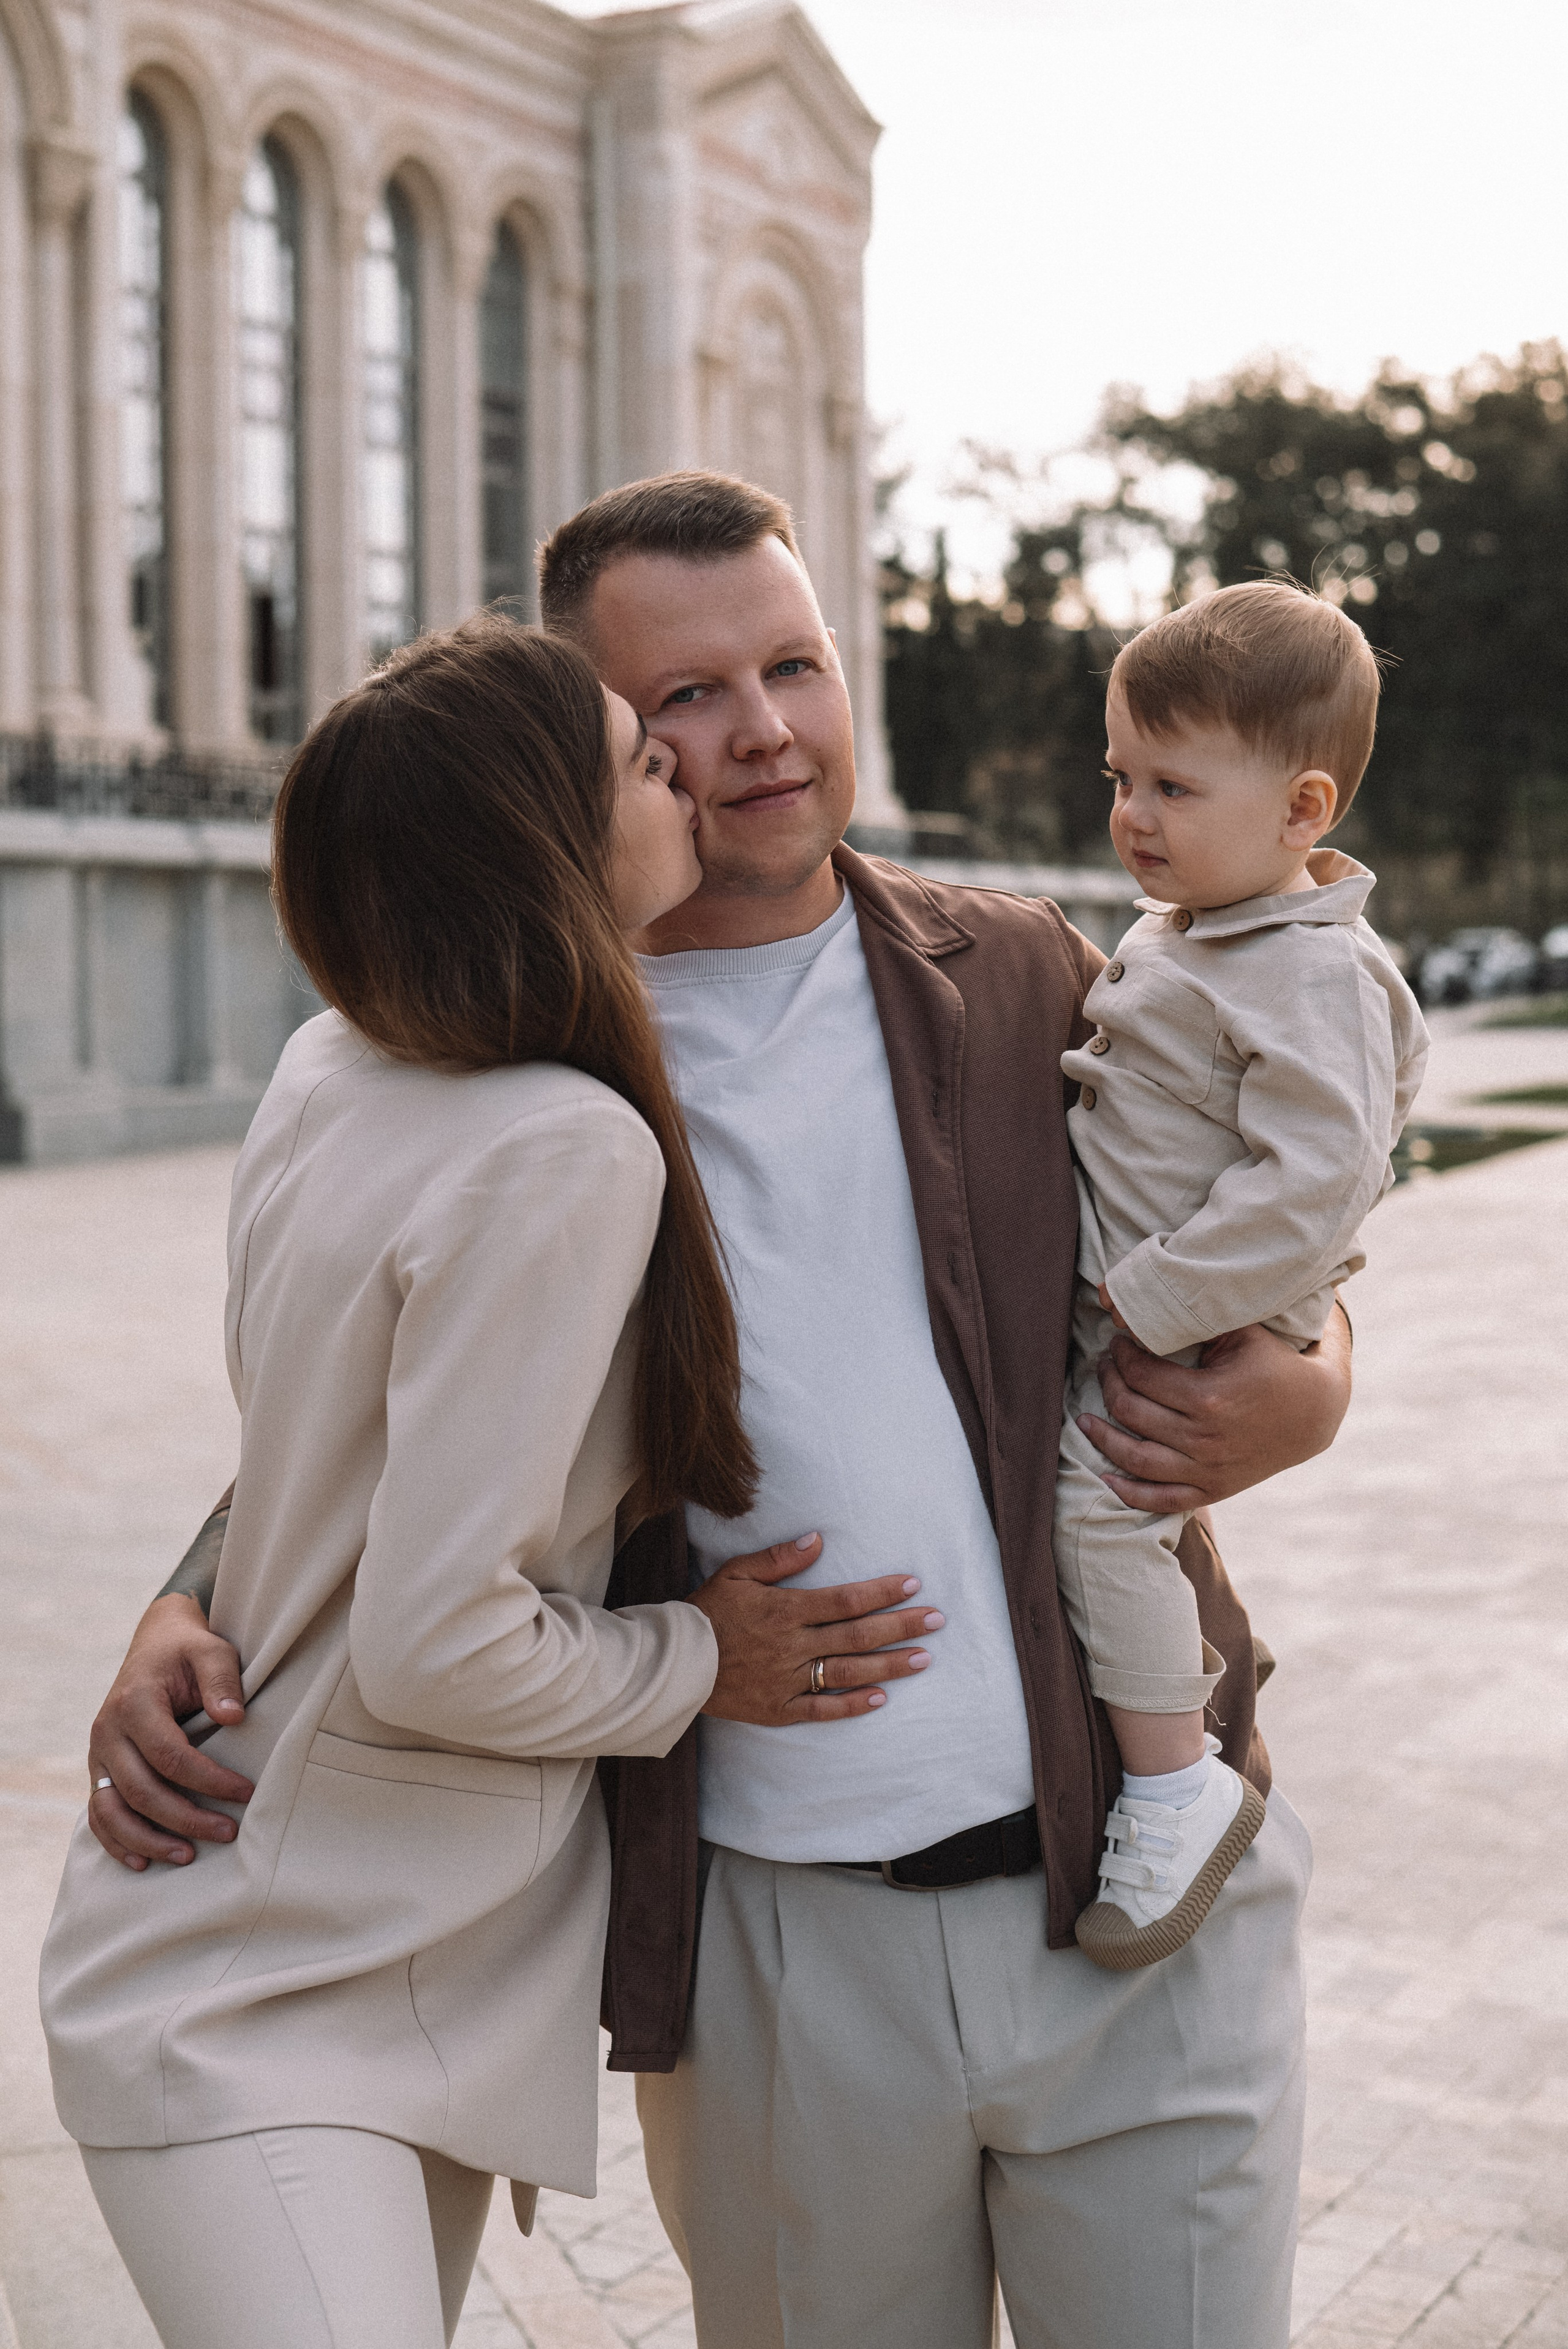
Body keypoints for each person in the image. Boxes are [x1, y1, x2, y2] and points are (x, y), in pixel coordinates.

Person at [85, 476, 1355, 2349]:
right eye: (679, 700)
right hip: (772, 1949)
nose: (760, 728)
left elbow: (1268, 1193)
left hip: (1135, 1893)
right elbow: (398, 1404)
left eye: (796, 663)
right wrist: (194, 1589)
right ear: (587, 763)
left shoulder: (1021, 975)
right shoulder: (514, 1065)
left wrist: (1320, 1375)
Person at [39, 615, 943, 2349]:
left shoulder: (333, 1059)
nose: (680, 764)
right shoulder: (561, 1143)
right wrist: (709, 1659)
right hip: (263, 1975)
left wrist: (190, 1587)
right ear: (538, 839)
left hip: (400, 1953)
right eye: (635, 754)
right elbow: (438, 1641)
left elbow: (314, 1454)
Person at [1058, 584, 1427, 1971]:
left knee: (1093, 1512)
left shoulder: (1310, 973)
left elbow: (1317, 1183)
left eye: (1170, 785)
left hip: (1201, 1308)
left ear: (1300, 809)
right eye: (1119, 777)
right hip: (1154, 1289)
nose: (1131, 814)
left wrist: (1145, 1296)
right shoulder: (1196, 930)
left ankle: (1171, 1788)